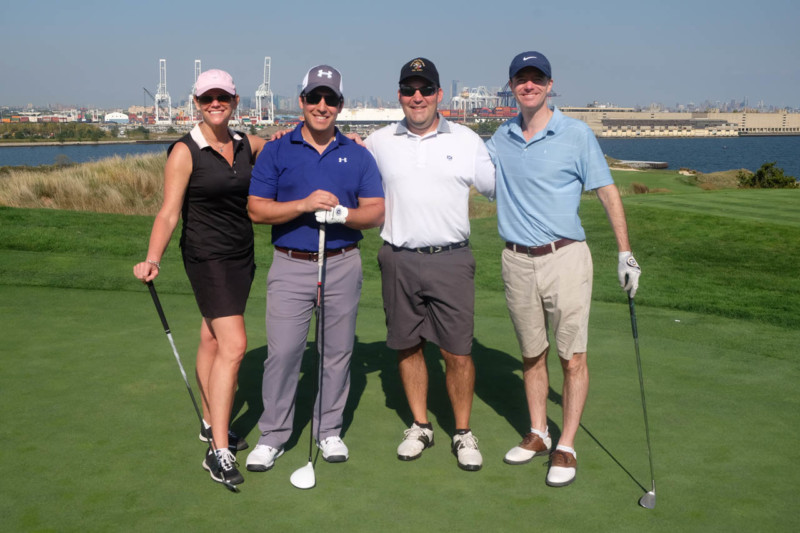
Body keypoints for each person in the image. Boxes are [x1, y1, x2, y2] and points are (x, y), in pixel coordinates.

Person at [487, 51, 642, 487]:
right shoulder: (501, 137)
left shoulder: (576, 134)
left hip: (566, 258)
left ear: (549, 85)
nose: (529, 85)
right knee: (531, 353)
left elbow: (607, 191)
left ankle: (567, 445)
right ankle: (539, 432)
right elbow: (460, 161)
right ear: (511, 86)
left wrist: (625, 253)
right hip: (516, 259)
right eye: (521, 78)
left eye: (537, 78)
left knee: (571, 356)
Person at [245, 65, 384, 472]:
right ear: (302, 101)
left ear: (340, 105)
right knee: (284, 353)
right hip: (291, 264)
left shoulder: (357, 154)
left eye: (331, 99)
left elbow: (376, 211)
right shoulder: (276, 150)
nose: (322, 106)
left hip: (342, 263)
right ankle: (273, 435)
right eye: (315, 98)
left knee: (337, 353)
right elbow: (257, 209)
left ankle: (329, 430)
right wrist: (303, 206)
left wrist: (343, 215)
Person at [133, 69, 266, 487]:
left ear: (236, 101)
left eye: (222, 97)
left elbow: (285, 147)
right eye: (207, 98)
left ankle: (210, 423)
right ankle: (218, 451)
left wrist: (346, 142)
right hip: (206, 258)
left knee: (211, 338)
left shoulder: (246, 144)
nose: (215, 103)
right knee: (235, 344)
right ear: (196, 103)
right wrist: (153, 258)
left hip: (241, 256)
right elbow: (168, 212)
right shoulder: (185, 151)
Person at [364, 58, 495, 471]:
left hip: (451, 260)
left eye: (425, 89)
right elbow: (341, 166)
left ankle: (462, 431)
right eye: (409, 89)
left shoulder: (467, 140)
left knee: (457, 351)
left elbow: (498, 187)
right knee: (407, 345)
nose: (416, 97)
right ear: (399, 95)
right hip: (398, 258)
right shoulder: (378, 141)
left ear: (439, 94)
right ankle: (420, 425)